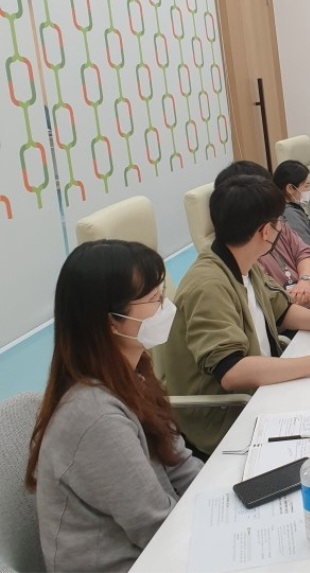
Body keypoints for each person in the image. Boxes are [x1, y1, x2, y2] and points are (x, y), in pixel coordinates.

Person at [156, 174, 310, 457]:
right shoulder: (208, 286)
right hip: (229, 415)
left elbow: (280, 310)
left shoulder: (243, 262)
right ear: (265, 231)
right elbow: (232, 372)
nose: (282, 227)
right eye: (279, 221)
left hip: (263, 391)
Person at [27, 240, 203, 572]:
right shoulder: (95, 417)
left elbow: (179, 463)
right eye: (154, 300)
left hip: (158, 548)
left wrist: (225, 499)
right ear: (112, 321)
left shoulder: (133, 374)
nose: (166, 307)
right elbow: (154, 526)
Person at [215, 161, 310, 308]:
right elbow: (275, 305)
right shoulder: (245, 256)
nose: (279, 222)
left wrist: (306, 281)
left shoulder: (277, 225)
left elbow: (305, 253)